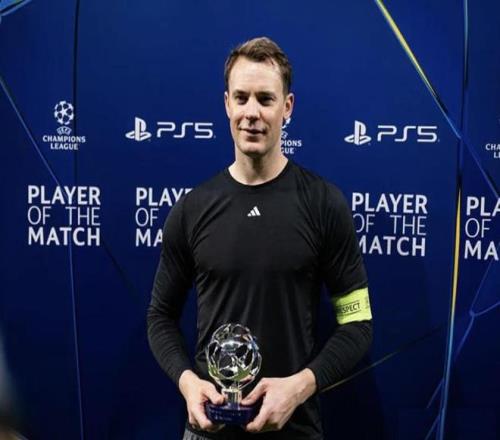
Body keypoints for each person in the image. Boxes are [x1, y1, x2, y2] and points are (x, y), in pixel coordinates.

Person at [147, 37, 373, 440]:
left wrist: (299, 387)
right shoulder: (192, 208)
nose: (251, 113)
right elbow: (159, 317)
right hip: (208, 431)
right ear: (227, 104)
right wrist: (188, 382)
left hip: (295, 430)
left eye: (265, 99)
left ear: (287, 107)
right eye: (241, 98)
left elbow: (357, 324)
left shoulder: (324, 204)